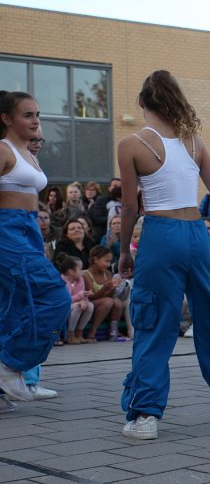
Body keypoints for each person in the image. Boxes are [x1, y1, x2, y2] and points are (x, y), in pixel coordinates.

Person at [117, 70, 210, 440]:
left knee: (154, 320)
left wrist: (123, 251)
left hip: (160, 235)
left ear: (142, 103)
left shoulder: (131, 144)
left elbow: (130, 208)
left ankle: (145, 415)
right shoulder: (193, 141)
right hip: (196, 233)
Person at [0, 90, 69, 403]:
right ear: (6, 119)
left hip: (28, 230)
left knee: (13, 304)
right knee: (55, 296)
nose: (35, 120)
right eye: (27, 115)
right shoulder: (3, 149)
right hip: (8, 230)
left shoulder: (26, 151)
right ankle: (10, 363)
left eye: (37, 115)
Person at [82, 245, 126, 342]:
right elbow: (92, 296)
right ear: (96, 259)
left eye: (110, 261)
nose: (109, 264)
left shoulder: (108, 273)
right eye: (106, 261)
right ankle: (92, 332)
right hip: (89, 305)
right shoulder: (86, 274)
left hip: (104, 303)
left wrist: (113, 288)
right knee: (108, 301)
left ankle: (114, 331)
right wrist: (106, 287)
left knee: (117, 302)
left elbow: (109, 295)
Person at [57, 253, 94, 345]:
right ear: (71, 271)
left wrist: (84, 299)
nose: (82, 271)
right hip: (64, 306)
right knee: (78, 306)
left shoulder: (80, 279)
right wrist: (81, 296)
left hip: (74, 304)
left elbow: (82, 294)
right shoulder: (62, 280)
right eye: (80, 269)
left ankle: (79, 332)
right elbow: (67, 299)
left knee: (90, 306)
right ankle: (70, 334)